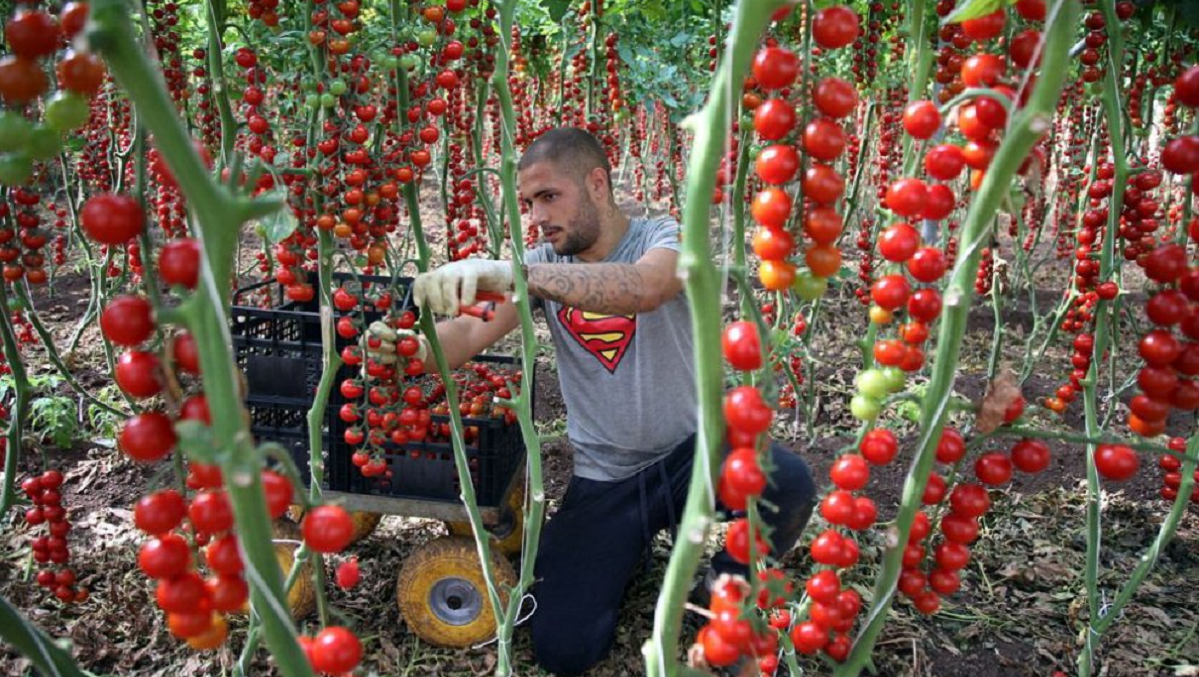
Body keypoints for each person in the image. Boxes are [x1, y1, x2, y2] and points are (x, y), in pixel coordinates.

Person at [411, 128, 816, 676]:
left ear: (597, 183)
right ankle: (628, 548)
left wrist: (516, 274)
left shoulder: (664, 238)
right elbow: (462, 338)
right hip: (608, 477)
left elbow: (645, 289)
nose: (537, 217)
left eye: (549, 197)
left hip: (692, 456)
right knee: (564, 648)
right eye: (529, 204)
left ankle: (723, 583)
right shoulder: (539, 265)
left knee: (786, 481)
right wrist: (407, 348)